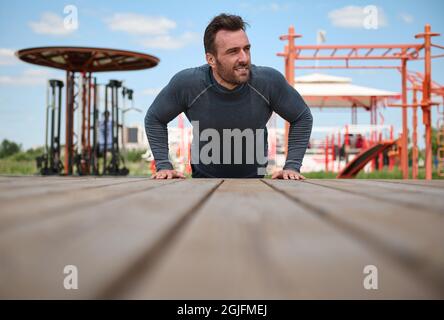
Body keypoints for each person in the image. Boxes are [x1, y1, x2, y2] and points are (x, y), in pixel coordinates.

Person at [145, 13, 313, 180]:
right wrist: (163, 165)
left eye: (246, 49)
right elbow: (155, 118)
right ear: (211, 59)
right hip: (203, 183)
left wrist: (292, 166)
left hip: (256, 183)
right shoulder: (188, 83)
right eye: (233, 52)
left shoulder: (268, 81)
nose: (244, 58)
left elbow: (302, 117)